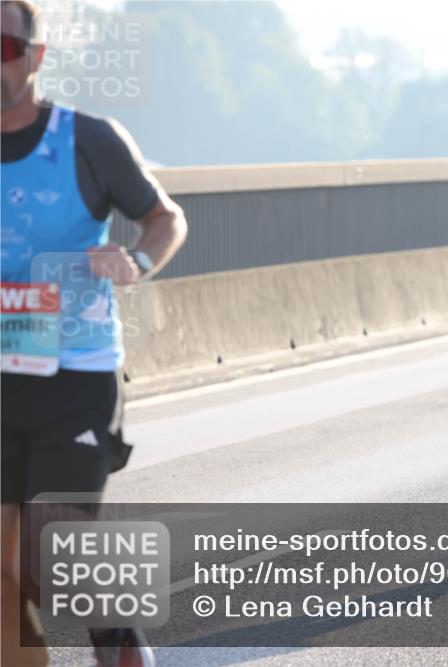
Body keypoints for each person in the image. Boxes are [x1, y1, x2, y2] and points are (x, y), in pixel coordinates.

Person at [1, 1, 187, 664]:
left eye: (5, 46)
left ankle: (114, 631)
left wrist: (134, 259)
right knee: (3, 580)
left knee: (52, 554)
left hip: (72, 378)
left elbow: (165, 219)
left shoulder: (87, 140)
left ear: (37, 56)